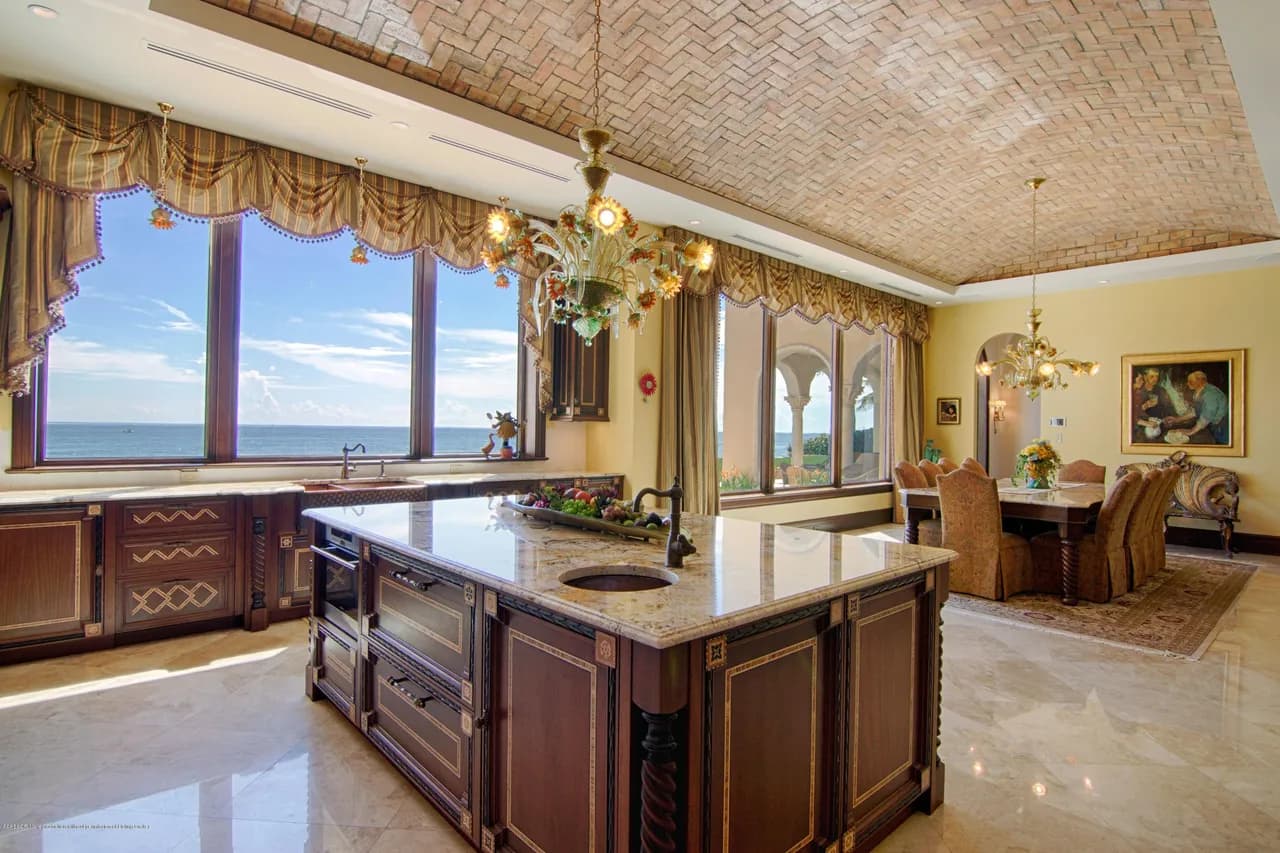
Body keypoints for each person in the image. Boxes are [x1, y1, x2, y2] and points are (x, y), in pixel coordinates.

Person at [1163, 371, 1229, 444]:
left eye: (1190, 381)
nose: (1188, 384)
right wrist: (1177, 419)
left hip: (1221, 428)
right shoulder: (1198, 391)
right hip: (1211, 426)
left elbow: (1206, 416)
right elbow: (1195, 412)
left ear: (1201, 381)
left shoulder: (1210, 393)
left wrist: (1191, 431)